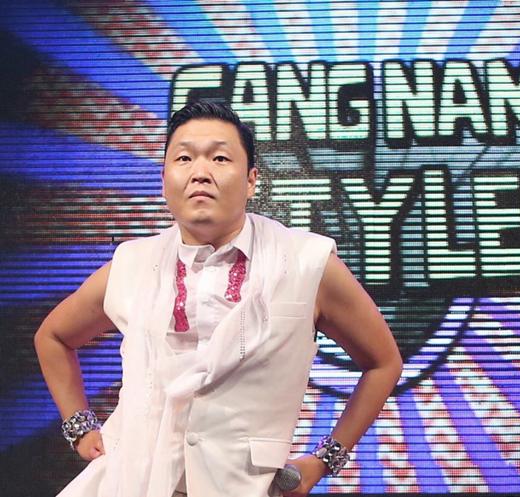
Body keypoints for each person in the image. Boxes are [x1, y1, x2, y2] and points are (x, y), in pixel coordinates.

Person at [34, 101, 402, 497]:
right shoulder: (132, 264)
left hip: (243, 485)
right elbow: (53, 337)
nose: (200, 172)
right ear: (164, 180)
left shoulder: (307, 262)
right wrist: (80, 427)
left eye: (220, 158)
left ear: (251, 180)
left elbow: (383, 362)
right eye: (184, 158)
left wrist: (324, 459)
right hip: (129, 482)